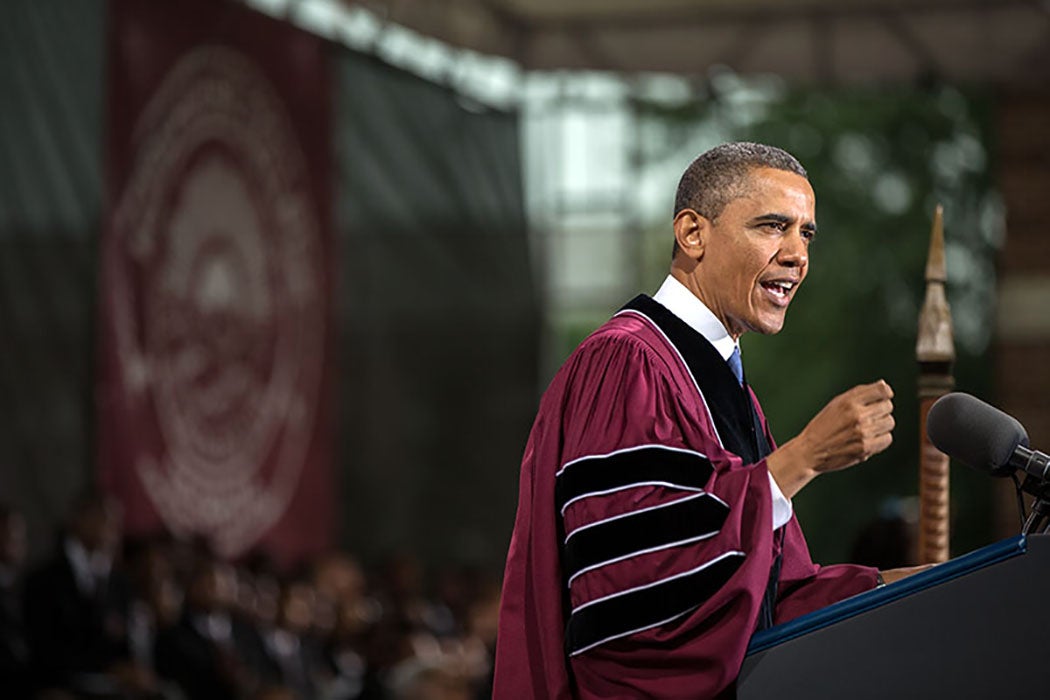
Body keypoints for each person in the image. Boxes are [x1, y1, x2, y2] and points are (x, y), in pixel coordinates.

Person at [494, 142, 926, 698]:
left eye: (806, 233)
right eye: (773, 226)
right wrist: (802, 458)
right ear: (693, 234)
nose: (798, 254)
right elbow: (636, 594)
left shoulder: (720, 383)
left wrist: (944, 583)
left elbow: (773, 596)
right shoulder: (627, 362)